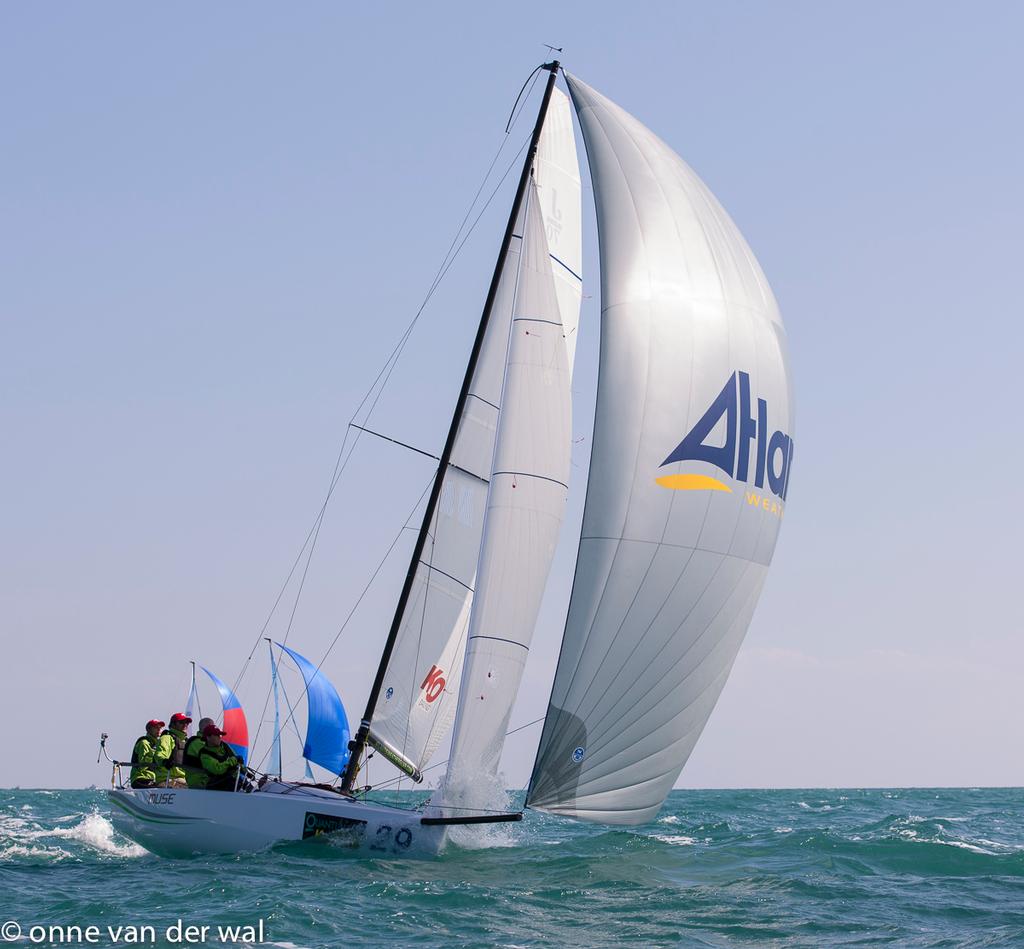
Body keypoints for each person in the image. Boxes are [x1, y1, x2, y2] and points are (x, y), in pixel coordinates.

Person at [198, 723, 241, 792]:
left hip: (232, 783)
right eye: (216, 735)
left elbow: (236, 758)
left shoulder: (224, 746)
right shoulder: (205, 755)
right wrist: (232, 761)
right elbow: (218, 769)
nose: (219, 737)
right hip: (216, 787)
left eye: (219, 735)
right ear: (208, 738)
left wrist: (243, 769)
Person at [158, 713, 192, 788]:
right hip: (168, 779)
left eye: (186, 723)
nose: (185, 725)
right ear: (173, 724)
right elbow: (160, 755)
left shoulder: (186, 741)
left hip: (181, 779)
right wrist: (165, 761)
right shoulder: (167, 738)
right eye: (181, 722)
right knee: (195, 789)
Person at [129, 720, 165, 788]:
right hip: (140, 778)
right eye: (156, 727)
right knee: (162, 788)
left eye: (160, 728)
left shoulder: (157, 745)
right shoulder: (144, 743)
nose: (158, 729)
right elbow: (143, 766)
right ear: (149, 729)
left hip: (151, 778)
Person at [182, 717, 215, 789]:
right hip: (199, 781)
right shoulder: (198, 743)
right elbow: (213, 760)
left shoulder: (205, 742)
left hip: (205, 780)